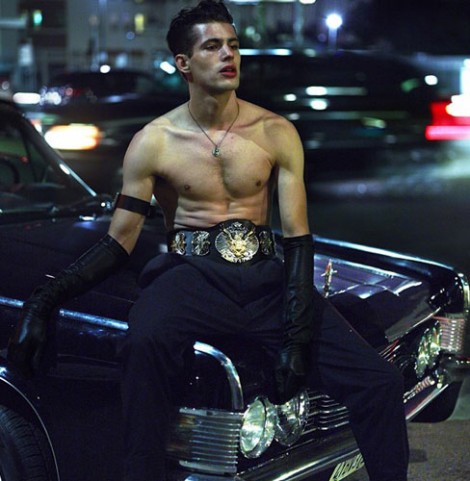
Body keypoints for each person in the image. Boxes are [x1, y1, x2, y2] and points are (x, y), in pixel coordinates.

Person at [7, 1, 409, 480]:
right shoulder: (154, 141)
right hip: (191, 279)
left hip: (265, 280)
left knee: (380, 383)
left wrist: (297, 337)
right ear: (184, 63)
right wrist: (44, 301)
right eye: (212, 46)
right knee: (143, 346)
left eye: (233, 45)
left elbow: (298, 239)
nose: (228, 55)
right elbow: (118, 242)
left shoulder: (276, 132)